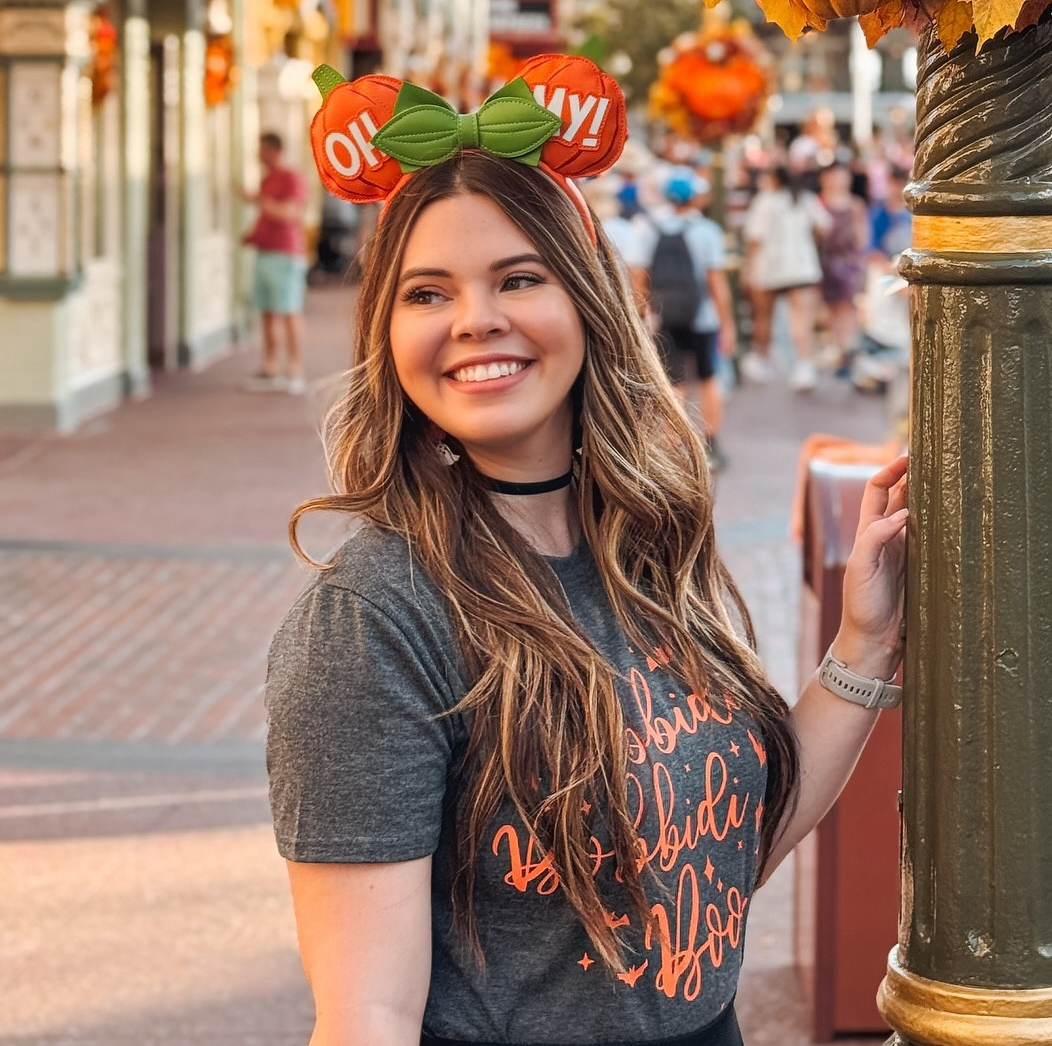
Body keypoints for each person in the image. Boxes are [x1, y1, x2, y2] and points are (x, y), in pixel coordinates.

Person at [266, 71, 909, 1046]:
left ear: (590, 300)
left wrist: (864, 644)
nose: (475, 317)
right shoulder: (374, 620)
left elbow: (721, 854)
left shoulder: (642, 548)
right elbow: (368, 1014)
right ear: (389, 334)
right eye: (428, 292)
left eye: (518, 278)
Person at [632, 168, 736, 469]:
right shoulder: (706, 231)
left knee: (673, 382)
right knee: (708, 377)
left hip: (663, 316)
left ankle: (672, 447)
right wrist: (726, 324)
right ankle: (711, 446)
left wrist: (647, 313)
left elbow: (638, 276)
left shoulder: (647, 227)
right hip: (702, 317)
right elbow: (716, 283)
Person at [740, 164, 830, 392]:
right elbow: (823, 227)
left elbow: (754, 238)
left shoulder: (765, 201)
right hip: (800, 266)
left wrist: (747, 267)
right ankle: (804, 365)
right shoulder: (805, 199)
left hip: (769, 266)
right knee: (801, 317)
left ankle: (762, 360)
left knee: (764, 316)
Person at [242, 131, 308, 394]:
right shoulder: (266, 179)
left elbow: (288, 213)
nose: (258, 155)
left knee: (289, 311)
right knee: (267, 311)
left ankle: (295, 369)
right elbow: (267, 216)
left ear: (273, 150)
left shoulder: (291, 178)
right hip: (264, 252)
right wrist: (252, 236)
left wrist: (260, 201)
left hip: (286, 255)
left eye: (262, 149)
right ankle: (270, 368)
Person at [816, 161, 869, 374]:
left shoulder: (855, 205)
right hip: (827, 262)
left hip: (847, 263)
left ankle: (849, 350)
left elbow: (861, 238)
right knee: (832, 309)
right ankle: (840, 350)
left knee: (847, 308)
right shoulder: (819, 203)